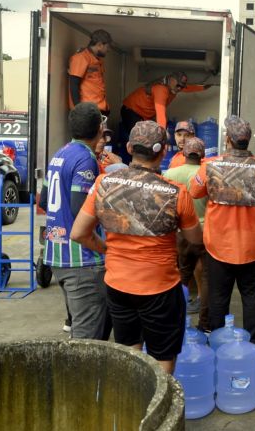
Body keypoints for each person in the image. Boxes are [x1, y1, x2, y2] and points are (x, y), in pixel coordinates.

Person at [71, 121, 202, 374]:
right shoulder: (176, 193)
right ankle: (159, 408)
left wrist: (107, 250)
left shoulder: (103, 184)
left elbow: (78, 233)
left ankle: (134, 404)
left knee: (130, 352)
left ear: (129, 147)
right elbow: (195, 239)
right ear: (164, 151)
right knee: (162, 355)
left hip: (119, 285)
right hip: (160, 288)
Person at [189, 116, 255, 355]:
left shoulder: (211, 166)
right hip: (253, 246)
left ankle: (218, 343)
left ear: (227, 139)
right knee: (252, 298)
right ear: (247, 141)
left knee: (218, 298)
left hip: (219, 246)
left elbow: (194, 191)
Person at [39, 103, 109, 340]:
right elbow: (82, 211)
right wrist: (106, 248)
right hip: (82, 261)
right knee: (87, 339)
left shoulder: (60, 154)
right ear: (100, 129)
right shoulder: (85, 159)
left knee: (81, 328)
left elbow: (45, 201)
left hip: (57, 255)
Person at [163, 137, 210, 326]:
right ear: (202, 155)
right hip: (205, 230)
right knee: (206, 277)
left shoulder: (170, 173)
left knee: (181, 274)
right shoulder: (207, 173)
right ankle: (204, 323)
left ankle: (176, 318)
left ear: (183, 154)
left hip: (180, 232)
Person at [121, 73, 210, 130]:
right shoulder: (161, 89)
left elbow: (188, 88)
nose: (179, 88)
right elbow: (160, 113)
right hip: (132, 111)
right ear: (171, 80)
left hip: (144, 114)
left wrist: (204, 87)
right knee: (138, 139)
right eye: (178, 85)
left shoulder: (173, 87)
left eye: (181, 86)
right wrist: (162, 134)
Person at [69, 29, 112, 114]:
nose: (108, 50)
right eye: (107, 47)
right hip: (86, 110)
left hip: (98, 108)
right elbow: (74, 84)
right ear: (99, 45)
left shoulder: (98, 61)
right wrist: (79, 109)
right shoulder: (81, 58)